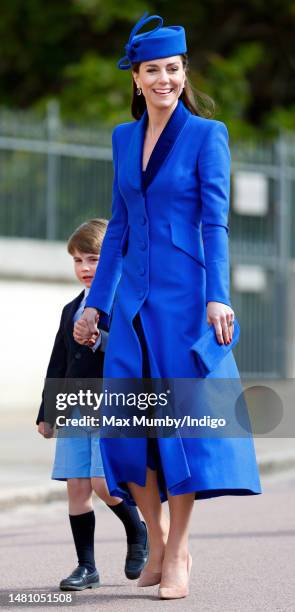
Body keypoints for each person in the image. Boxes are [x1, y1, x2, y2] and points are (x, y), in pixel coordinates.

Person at [74, 13, 262, 600]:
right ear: (135, 77)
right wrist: (95, 307)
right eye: (152, 70)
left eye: (173, 69)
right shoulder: (122, 137)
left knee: (180, 426)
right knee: (130, 430)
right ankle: (154, 537)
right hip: (131, 303)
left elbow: (216, 223)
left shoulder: (209, 136)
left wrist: (217, 296)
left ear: (184, 72)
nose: (164, 79)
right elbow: (122, 225)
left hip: (186, 301)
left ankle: (177, 549)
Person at [36, 219, 148, 591]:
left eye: (94, 259)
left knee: (104, 484)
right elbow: (58, 361)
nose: (85, 268)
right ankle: (87, 567)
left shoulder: (123, 301)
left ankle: (139, 532)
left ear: (114, 259)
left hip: (111, 406)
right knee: (77, 488)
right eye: (78, 260)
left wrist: (99, 338)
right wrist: (47, 412)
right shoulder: (71, 308)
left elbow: (130, 350)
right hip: (74, 406)